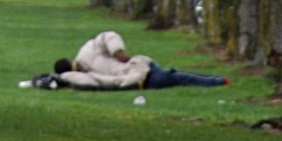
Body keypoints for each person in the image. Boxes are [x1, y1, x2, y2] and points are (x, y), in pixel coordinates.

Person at [31, 30, 229, 90]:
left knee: (178, 77)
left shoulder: (86, 55)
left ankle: (217, 82)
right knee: (178, 76)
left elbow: (107, 37)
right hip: (142, 72)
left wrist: (118, 52)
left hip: (140, 73)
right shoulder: (86, 66)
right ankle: (217, 81)